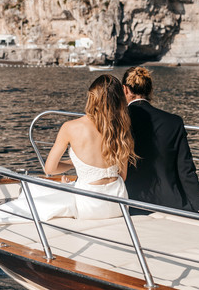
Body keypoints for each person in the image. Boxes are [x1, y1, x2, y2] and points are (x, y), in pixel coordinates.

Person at [122, 66, 199, 217]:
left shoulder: (118, 121)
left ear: (125, 90)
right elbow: (185, 168)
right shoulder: (174, 122)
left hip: (130, 203)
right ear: (150, 90)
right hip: (171, 203)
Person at [44, 74, 136, 220]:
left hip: (89, 204)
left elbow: (49, 169)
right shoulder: (121, 128)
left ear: (92, 97)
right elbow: (122, 176)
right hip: (119, 204)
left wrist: (73, 163)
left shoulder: (70, 127)